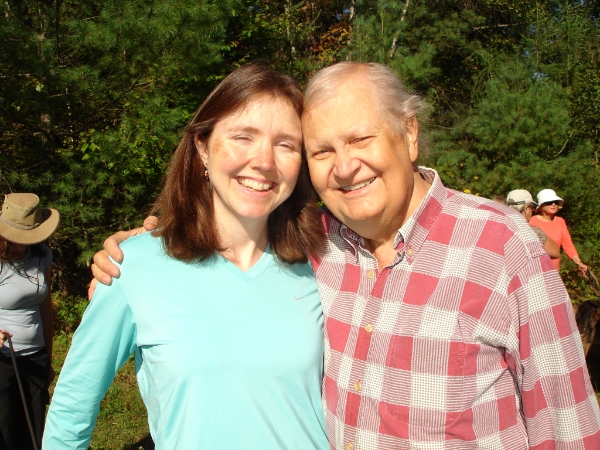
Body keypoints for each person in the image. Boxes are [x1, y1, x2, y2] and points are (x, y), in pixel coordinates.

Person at [93, 62, 600, 448]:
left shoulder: (501, 245)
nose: (344, 167)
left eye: (360, 139)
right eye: (321, 151)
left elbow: (567, 421)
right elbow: (226, 237)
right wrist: (144, 250)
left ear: (409, 133)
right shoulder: (317, 243)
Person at [43, 64, 330, 449]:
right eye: (243, 137)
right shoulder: (134, 267)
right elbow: (72, 407)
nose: (264, 161)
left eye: (286, 144)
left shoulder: (327, 262)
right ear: (202, 148)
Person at [0, 193, 59, 450]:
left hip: (36, 356)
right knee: (5, 430)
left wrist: (48, 357)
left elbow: (45, 309)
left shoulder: (42, 255)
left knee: (34, 430)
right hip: (3, 360)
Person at [529, 188, 588, 272]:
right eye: (549, 202)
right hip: (536, 270)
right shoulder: (532, 221)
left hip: (554, 271)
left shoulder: (560, 221)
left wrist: (579, 263)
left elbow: (568, 245)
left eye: (555, 202)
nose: (553, 204)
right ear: (541, 206)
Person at [506, 189, 560, 259]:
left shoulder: (498, 227)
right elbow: (556, 252)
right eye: (532, 207)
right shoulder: (531, 232)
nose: (532, 211)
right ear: (526, 208)